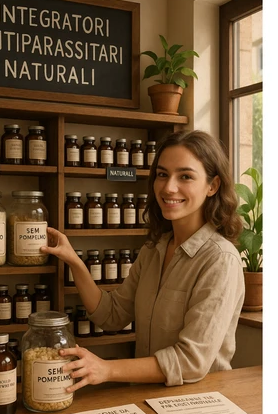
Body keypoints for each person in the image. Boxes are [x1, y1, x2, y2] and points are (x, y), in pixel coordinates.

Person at [40, 130, 245, 392]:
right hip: (146, 398)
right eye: (162, 174)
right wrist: (74, 261)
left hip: (198, 404)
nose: (169, 187)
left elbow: (191, 361)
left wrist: (106, 369)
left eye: (185, 176)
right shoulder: (153, 250)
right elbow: (111, 315)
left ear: (212, 186)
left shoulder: (220, 260)